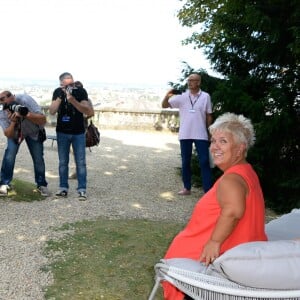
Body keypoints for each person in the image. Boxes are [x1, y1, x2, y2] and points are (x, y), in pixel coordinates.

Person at [162, 112, 268, 300]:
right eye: (213, 141)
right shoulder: (246, 172)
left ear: (240, 149)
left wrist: (214, 242)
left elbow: (234, 211)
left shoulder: (232, 179)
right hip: (229, 260)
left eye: (223, 141)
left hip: (202, 269)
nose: (214, 147)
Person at [162, 73, 213, 195]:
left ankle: (208, 191)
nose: (189, 82)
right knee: (185, 161)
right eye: (188, 80)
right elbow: (164, 105)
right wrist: (167, 95)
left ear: (198, 82)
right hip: (185, 133)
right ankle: (187, 188)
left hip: (201, 134)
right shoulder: (182, 96)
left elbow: (209, 115)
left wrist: (210, 131)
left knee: (204, 161)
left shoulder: (205, 96)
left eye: (192, 80)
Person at [49, 72, 93, 200]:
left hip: (78, 132)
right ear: (61, 83)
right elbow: (52, 111)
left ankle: (82, 189)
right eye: (67, 85)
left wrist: (73, 100)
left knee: (81, 162)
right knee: (63, 162)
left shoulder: (80, 92)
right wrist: (60, 96)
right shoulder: (57, 92)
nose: (70, 87)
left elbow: (88, 111)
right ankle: (63, 188)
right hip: (62, 131)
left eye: (72, 84)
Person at [0, 91, 50, 196]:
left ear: (13, 97)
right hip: (16, 132)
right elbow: (8, 134)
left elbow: (43, 120)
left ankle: (42, 184)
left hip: (33, 131)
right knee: (10, 154)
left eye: (3, 100)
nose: (3, 103)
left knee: (38, 157)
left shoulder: (25, 100)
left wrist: (26, 114)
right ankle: (4, 183)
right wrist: (13, 122)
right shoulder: (2, 110)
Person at [68, 80, 94, 180]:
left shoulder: (75, 99)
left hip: (80, 128)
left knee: (77, 152)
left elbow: (91, 113)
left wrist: (82, 118)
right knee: (77, 151)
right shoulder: (86, 99)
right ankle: (79, 172)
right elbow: (91, 114)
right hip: (77, 127)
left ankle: (79, 172)